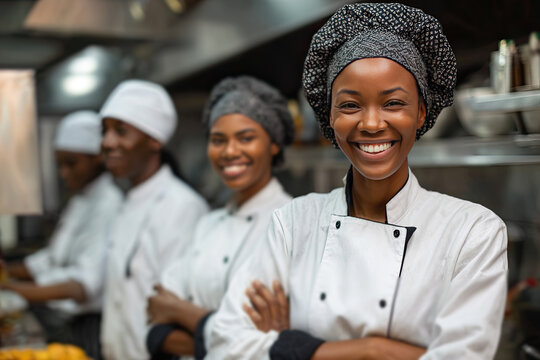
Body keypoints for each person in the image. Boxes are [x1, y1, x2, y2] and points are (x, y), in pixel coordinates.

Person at [207, 3, 508, 359]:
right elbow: (223, 343)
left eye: (393, 103)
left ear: (421, 111)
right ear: (329, 115)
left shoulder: (472, 233)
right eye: (350, 105)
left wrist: (291, 346)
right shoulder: (293, 223)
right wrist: (373, 350)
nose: (371, 123)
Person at [144, 76, 295, 360]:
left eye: (246, 138)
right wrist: (233, 339)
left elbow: (278, 344)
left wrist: (179, 311)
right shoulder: (208, 225)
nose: (229, 152)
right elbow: (155, 326)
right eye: (218, 140)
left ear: (273, 144)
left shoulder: (293, 224)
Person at [98, 79, 209, 360]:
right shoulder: (127, 201)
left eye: (120, 132)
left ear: (154, 140)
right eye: (105, 131)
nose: (107, 142)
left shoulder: (181, 206)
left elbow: (177, 306)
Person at [2, 110, 122, 359]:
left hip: (90, 325)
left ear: (97, 157)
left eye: (71, 163)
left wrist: (11, 287)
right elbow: (50, 259)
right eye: (60, 164)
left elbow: (83, 286)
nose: (64, 173)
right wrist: (8, 270)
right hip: (63, 320)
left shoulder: (109, 203)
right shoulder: (80, 201)